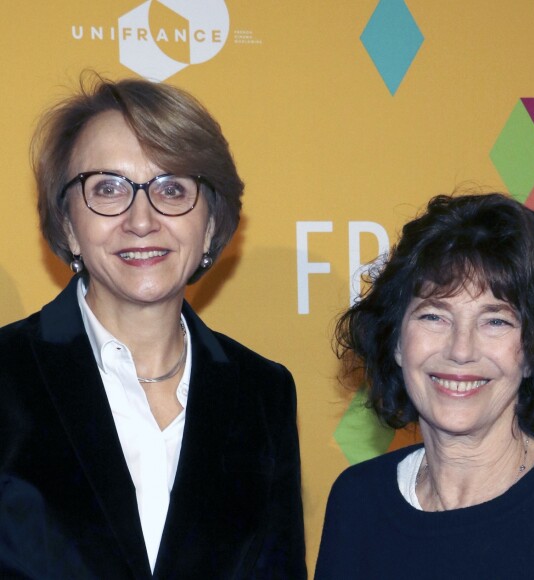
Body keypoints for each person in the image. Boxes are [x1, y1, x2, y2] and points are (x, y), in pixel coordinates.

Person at [0, 75, 306, 579]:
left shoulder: (262, 391)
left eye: (171, 188)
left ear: (209, 223)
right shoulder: (6, 373)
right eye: (107, 188)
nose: (141, 219)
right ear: (68, 224)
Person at [315, 193, 534, 579]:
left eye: (496, 321)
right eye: (435, 316)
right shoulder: (358, 501)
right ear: (396, 342)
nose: (461, 350)